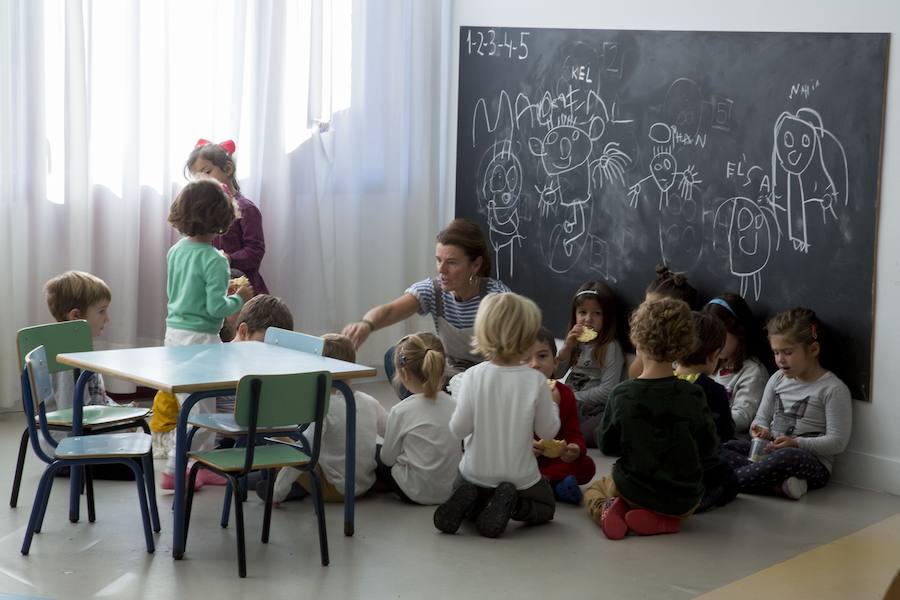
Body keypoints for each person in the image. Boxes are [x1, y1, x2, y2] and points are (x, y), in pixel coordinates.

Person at [585, 297, 718, 540]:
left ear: (637, 339)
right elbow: (709, 448)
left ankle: (609, 509)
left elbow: (607, 445)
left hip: (633, 490)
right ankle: (664, 521)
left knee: (594, 489)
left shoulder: (623, 394)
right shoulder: (693, 394)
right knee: (675, 503)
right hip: (684, 499)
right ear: (684, 345)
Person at [433, 292, 559, 538]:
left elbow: (458, 430)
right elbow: (548, 432)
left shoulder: (471, 376)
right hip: (520, 476)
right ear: (527, 337)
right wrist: (553, 405)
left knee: (466, 485)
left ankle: (473, 504)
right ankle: (514, 504)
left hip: (473, 472)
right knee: (546, 508)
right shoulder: (536, 381)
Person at [342, 218, 510, 397]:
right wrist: (366, 324)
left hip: (484, 381)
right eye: (439, 260)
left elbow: (515, 353)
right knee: (396, 356)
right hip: (448, 373)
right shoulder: (433, 290)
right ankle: (425, 414)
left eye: (452, 263)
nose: (441, 270)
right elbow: (390, 310)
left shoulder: (497, 298)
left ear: (475, 265)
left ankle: (436, 410)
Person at [160, 178, 254, 489]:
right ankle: (183, 468)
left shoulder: (176, 251)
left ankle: (189, 465)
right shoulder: (215, 259)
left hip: (175, 335)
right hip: (201, 340)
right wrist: (239, 298)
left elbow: (187, 293)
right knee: (202, 411)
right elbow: (216, 310)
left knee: (190, 405)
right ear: (221, 218)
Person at [720, 308, 852, 500]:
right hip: (769, 452)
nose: (780, 360)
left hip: (806, 461)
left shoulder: (832, 389)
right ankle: (777, 485)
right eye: (776, 353)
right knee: (725, 447)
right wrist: (761, 431)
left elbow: (837, 442)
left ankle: (726, 484)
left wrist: (797, 443)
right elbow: (761, 418)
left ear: (813, 350)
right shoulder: (777, 379)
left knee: (786, 457)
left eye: (788, 352)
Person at [149, 294, 293, 463]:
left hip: (241, 439)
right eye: (263, 343)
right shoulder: (218, 363)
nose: (270, 354)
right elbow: (218, 424)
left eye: (277, 347)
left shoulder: (261, 364)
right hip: (214, 445)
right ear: (244, 331)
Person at [270, 334, 387, 503]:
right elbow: (391, 434)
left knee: (280, 441)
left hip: (335, 488)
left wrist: (277, 493)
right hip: (365, 484)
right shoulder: (370, 402)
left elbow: (304, 453)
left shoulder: (323, 408)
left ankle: (277, 487)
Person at [375, 332, 462, 505]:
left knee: (375, 454)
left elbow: (387, 459)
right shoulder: (456, 405)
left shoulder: (401, 411)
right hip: (449, 490)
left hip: (413, 492)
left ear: (404, 374)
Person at [185, 139, 268, 294]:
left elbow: (255, 251)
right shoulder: (205, 211)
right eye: (198, 177)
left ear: (228, 168)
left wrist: (229, 259)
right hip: (216, 287)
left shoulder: (246, 209)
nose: (203, 181)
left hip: (243, 288)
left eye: (207, 172)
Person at [674, 311, 738, 512]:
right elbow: (725, 433)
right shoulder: (714, 390)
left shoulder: (663, 382)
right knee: (730, 478)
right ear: (712, 356)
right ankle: (702, 497)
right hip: (698, 468)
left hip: (661, 464)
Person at [528, 327, 596, 504]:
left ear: (555, 362)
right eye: (526, 358)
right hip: (527, 462)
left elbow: (573, 432)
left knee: (587, 466)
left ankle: (548, 485)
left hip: (556, 462)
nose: (534, 364)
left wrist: (575, 449)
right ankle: (555, 486)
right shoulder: (514, 396)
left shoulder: (565, 393)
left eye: (542, 356)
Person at [554, 281, 624, 446]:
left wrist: (572, 398)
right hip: (569, 405)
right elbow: (556, 374)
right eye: (582, 312)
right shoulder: (575, 341)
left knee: (587, 432)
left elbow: (608, 391)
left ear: (607, 317)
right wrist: (567, 347)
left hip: (592, 410)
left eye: (597, 313)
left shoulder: (610, 347)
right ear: (575, 314)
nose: (588, 319)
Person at [43, 271, 116, 411]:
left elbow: (96, 398)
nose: (107, 318)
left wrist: (120, 410)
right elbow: (71, 411)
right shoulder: (66, 355)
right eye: (102, 311)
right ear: (76, 316)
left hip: (88, 422)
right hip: (80, 430)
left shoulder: (74, 346)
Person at [703, 293, 771, 436]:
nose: (714, 342)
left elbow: (743, 417)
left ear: (739, 333)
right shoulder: (709, 362)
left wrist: (703, 422)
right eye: (709, 336)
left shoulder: (753, 372)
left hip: (728, 440)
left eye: (721, 336)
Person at [627, 265, 700, 378]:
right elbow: (633, 375)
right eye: (647, 307)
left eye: (656, 309)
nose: (648, 314)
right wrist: (641, 352)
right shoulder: (647, 339)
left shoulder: (686, 346)